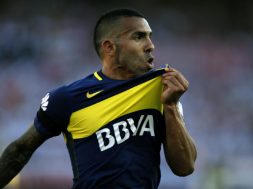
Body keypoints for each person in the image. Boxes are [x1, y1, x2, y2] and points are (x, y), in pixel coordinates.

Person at [0, 8, 197, 189]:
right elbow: (19, 151)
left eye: (150, 37)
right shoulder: (68, 98)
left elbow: (185, 167)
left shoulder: (160, 90)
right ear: (109, 47)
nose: (150, 46)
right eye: (139, 37)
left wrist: (170, 106)